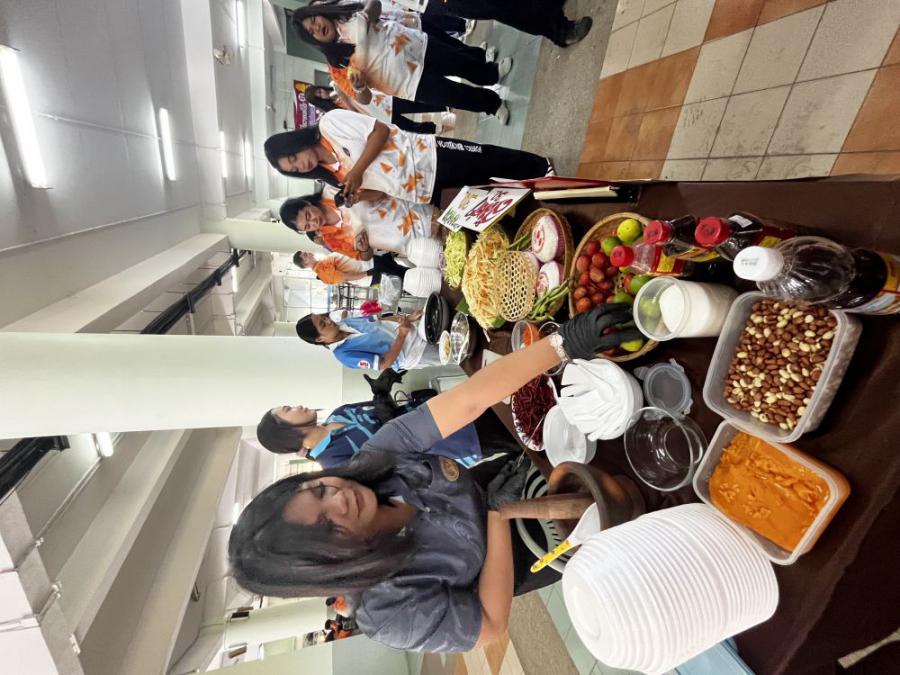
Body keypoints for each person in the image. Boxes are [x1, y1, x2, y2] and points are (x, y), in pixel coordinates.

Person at [229, 304, 641, 652]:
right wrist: (498, 516)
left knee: (614, 457)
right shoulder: (386, 612)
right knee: (625, 527)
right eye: (326, 525)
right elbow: (490, 624)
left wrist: (563, 343)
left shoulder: (377, 460)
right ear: (322, 566)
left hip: (497, 484)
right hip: (516, 555)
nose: (340, 498)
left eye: (320, 489)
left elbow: (469, 399)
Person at [264, 110, 553, 207]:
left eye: (294, 158)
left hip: (428, 156)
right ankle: (537, 198)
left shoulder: (330, 124)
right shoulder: (331, 178)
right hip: (420, 191)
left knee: (488, 160)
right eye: (294, 170)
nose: (301, 165)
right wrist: (358, 197)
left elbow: (379, 131)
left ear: (295, 142)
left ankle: (542, 169)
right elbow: (379, 194)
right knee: (483, 197)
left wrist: (358, 170)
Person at [292, 1, 514, 121]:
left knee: (460, 62)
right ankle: (492, 105)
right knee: (456, 95)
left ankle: (491, 73)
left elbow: (374, 4)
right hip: (408, 83)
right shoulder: (337, 65)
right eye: (312, 32)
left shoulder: (346, 11)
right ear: (314, 41)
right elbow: (364, 99)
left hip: (415, 46)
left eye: (314, 20)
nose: (317, 27)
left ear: (319, 12)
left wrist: (366, 16)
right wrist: (360, 87)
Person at [256, 400, 487, 468]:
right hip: (454, 442)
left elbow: (386, 410)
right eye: (289, 410)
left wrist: (383, 398)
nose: (297, 406)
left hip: (440, 409)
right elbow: (395, 467)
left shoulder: (339, 413)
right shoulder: (335, 462)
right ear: (287, 433)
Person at [280, 185, 439, 257]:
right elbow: (364, 257)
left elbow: (380, 190)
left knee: (446, 222)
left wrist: (357, 197)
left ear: (307, 203)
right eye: (308, 226)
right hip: (413, 246)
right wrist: (364, 249)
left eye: (308, 215)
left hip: (414, 213)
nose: (314, 222)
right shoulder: (332, 240)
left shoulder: (333, 190)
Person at [296, 310, 441, 371]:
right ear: (319, 339)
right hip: (414, 352)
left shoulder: (344, 323)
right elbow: (384, 363)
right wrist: (402, 335)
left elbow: (379, 320)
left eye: (324, 317)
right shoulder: (344, 354)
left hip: (414, 329)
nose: (329, 321)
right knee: (451, 350)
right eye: (323, 324)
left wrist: (409, 318)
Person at [305, 83, 452, 135]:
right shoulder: (333, 112)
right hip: (378, 116)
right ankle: (437, 128)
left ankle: (445, 105)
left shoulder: (336, 86)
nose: (322, 93)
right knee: (410, 126)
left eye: (319, 90)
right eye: (319, 95)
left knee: (414, 105)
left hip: (381, 101)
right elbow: (354, 114)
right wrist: (343, 97)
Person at [293, 251, 373, 286]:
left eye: (305, 252)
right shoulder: (322, 273)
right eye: (305, 255)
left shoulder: (322, 262)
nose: (308, 253)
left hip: (367, 262)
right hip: (369, 271)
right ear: (306, 263)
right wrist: (368, 273)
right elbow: (346, 277)